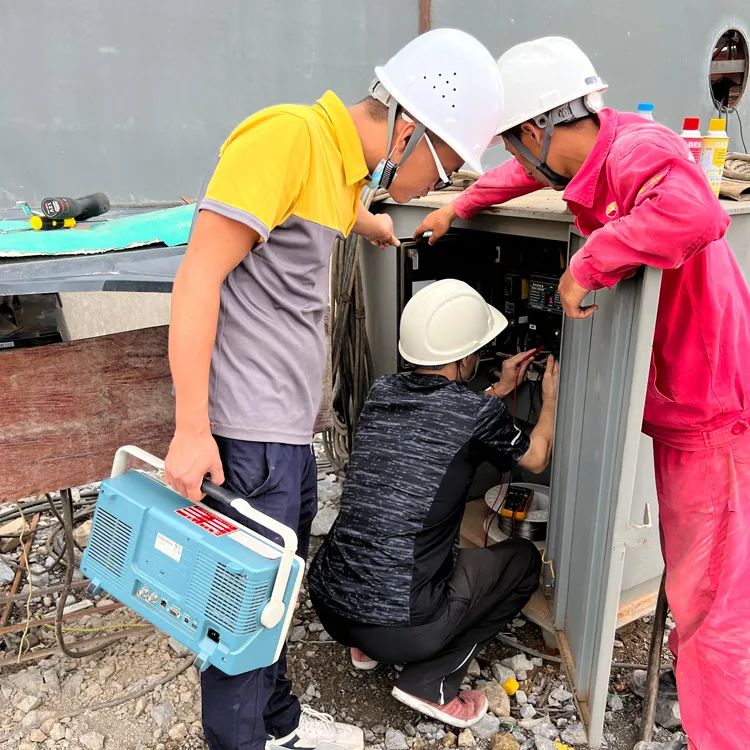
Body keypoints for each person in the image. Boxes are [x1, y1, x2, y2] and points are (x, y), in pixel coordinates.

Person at [163, 29, 505, 750]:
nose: (434, 187)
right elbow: (198, 277)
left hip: (287, 434)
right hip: (248, 436)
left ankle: (279, 724)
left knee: (274, 599)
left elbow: (317, 208)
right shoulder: (286, 138)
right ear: (409, 133)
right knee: (240, 614)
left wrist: (369, 225)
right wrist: (192, 429)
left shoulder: (338, 163)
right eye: (443, 168)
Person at [415, 37, 750, 750]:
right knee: (699, 575)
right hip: (682, 397)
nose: (515, 154)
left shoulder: (640, 151)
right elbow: (519, 175)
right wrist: (461, 205)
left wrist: (587, 262)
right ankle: (700, 688)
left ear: (537, 128)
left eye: (513, 138)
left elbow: (698, 212)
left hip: (711, 405)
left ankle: (725, 732)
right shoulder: (598, 149)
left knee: (714, 594)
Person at [308, 279, 558, 728]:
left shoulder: (382, 391)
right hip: (402, 627)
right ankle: (431, 682)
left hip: (330, 603)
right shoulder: (475, 413)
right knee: (522, 560)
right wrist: (551, 403)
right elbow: (536, 458)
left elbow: (443, 422)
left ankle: (364, 646)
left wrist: (499, 390)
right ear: (465, 358)